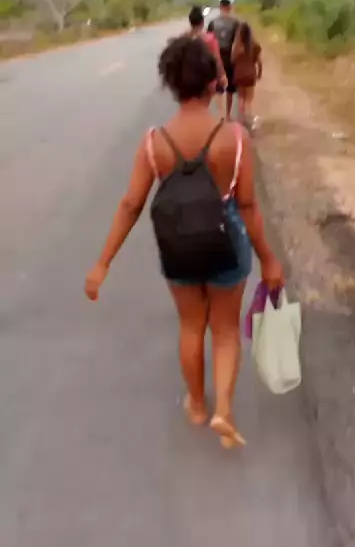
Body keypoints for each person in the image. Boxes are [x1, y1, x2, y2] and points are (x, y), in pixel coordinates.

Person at [84, 35, 283, 449]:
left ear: (171, 85)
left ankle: (195, 404)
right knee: (225, 331)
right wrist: (268, 259)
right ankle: (223, 410)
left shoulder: (154, 141)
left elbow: (131, 204)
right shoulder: (234, 138)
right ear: (213, 83)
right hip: (227, 241)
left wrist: (103, 262)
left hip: (177, 245)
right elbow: (248, 206)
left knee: (191, 325)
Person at [187, 5, 227, 104]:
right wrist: (222, 75)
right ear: (202, 22)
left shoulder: (183, 39)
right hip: (206, 79)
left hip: (187, 79)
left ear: (190, 22)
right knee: (204, 104)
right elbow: (216, 59)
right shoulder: (210, 39)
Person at [207, 0, 239, 120]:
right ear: (229, 7)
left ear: (220, 7)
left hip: (216, 57)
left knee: (218, 88)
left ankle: (220, 115)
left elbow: (208, 41)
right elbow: (237, 43)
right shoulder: (236, 23)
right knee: (230, 88)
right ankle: (228, 115)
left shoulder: (212, 23)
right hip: (230, 57)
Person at [231, 22, 262, 129]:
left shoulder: (237, 46)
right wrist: (259, 73)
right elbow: (259, 62)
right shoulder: (255, 46)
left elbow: (232, 60)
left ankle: (241, 122)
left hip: (239, 74)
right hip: (250, 74)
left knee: (241, 99)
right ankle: (249, 122)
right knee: (248, 100)